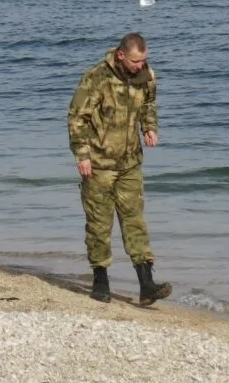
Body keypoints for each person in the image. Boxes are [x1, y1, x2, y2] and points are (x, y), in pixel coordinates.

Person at [67, 33, 172, 304]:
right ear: (122, 55)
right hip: (99, 163)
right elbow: (77, 117)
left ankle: (146, 284)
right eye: (136, 61)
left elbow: (149, 105)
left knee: (134, 220)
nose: (141, 66)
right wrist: (82, 155)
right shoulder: (97, 77)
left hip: (130, 162)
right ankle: (100, 280)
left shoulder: (146, 77)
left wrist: (149, 127)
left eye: (144, 60)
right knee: (99, 224)